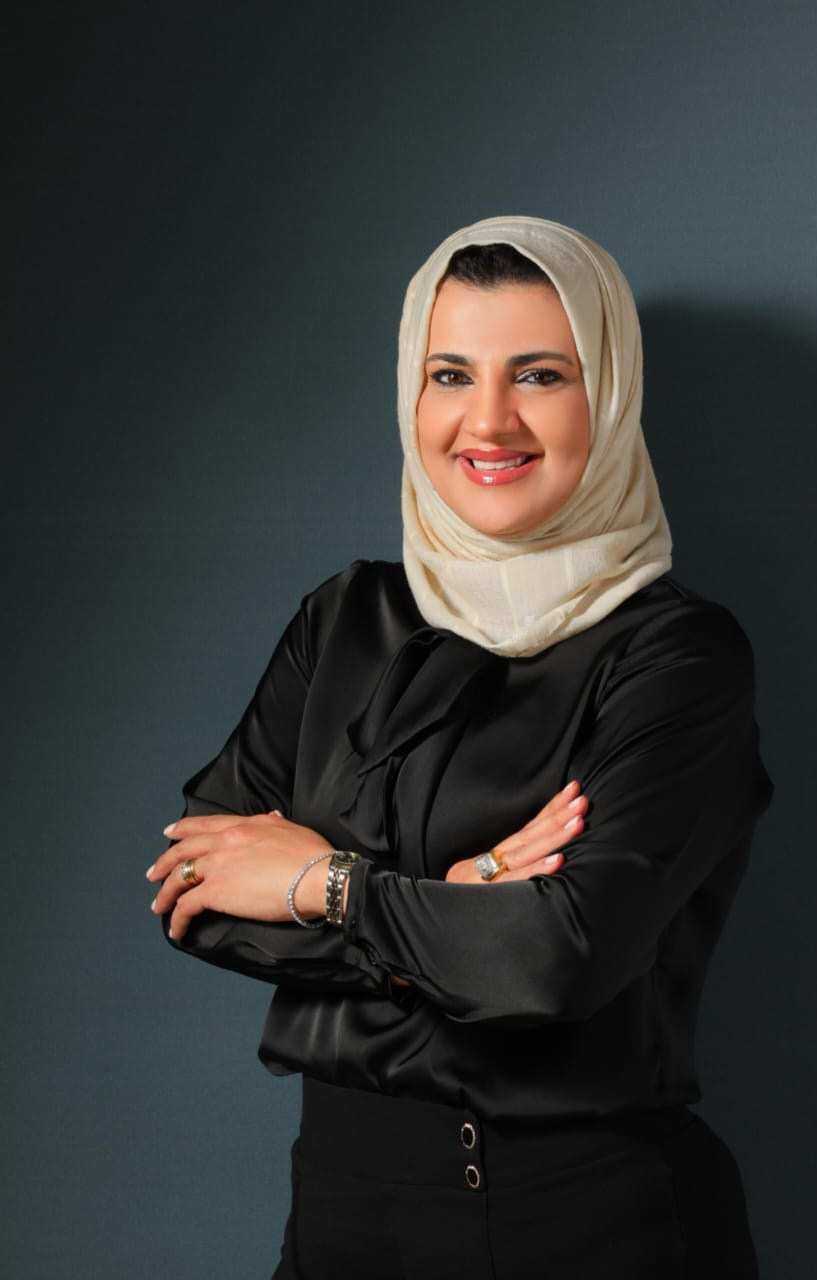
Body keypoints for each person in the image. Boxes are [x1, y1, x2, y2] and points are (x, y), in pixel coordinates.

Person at [147, 215, 773, 1278]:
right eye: (450, 374)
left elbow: (555, 959)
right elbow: (198, 892)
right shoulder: (345, 620)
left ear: (610, 394)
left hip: (581, 1226)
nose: (487, 420)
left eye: (539, 374)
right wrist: (459, 895)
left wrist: (326, 885)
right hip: (338, 1215)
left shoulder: (676, 655)